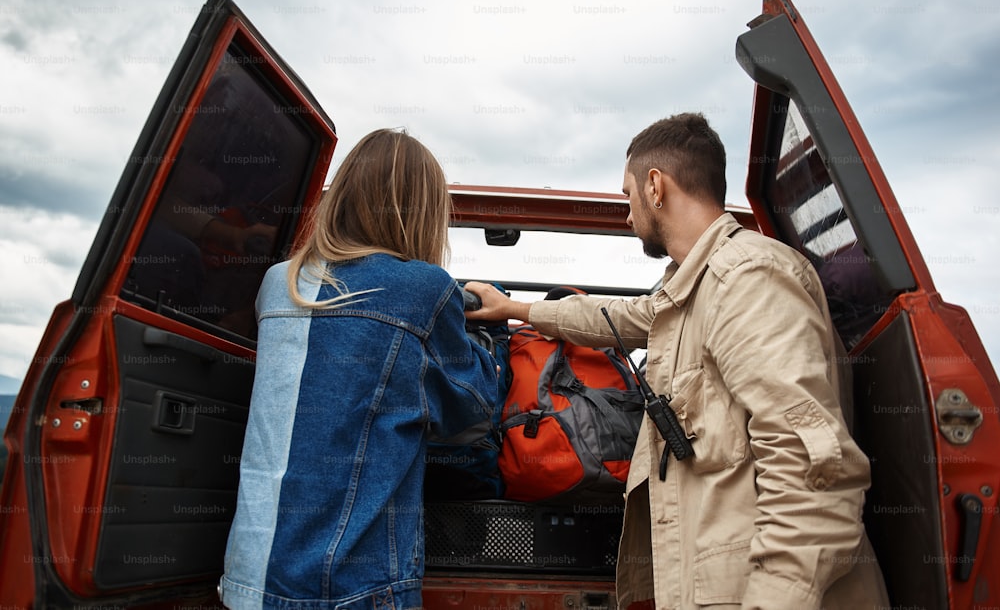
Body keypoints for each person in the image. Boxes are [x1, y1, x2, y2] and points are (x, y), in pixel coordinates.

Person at [466, 113, 888, 609]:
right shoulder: (690, 290)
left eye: (627, 196)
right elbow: (614, 317)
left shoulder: (747, 279)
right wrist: (516, 309)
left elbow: (813, 467)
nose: (627, 213)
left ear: (654, 186)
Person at [219, 128, 499, 610]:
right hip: (353, 588)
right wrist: (485, 346)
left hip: (248, 580)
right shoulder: (425, 288)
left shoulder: (276, 284)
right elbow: (470, 414)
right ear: (425, 211)